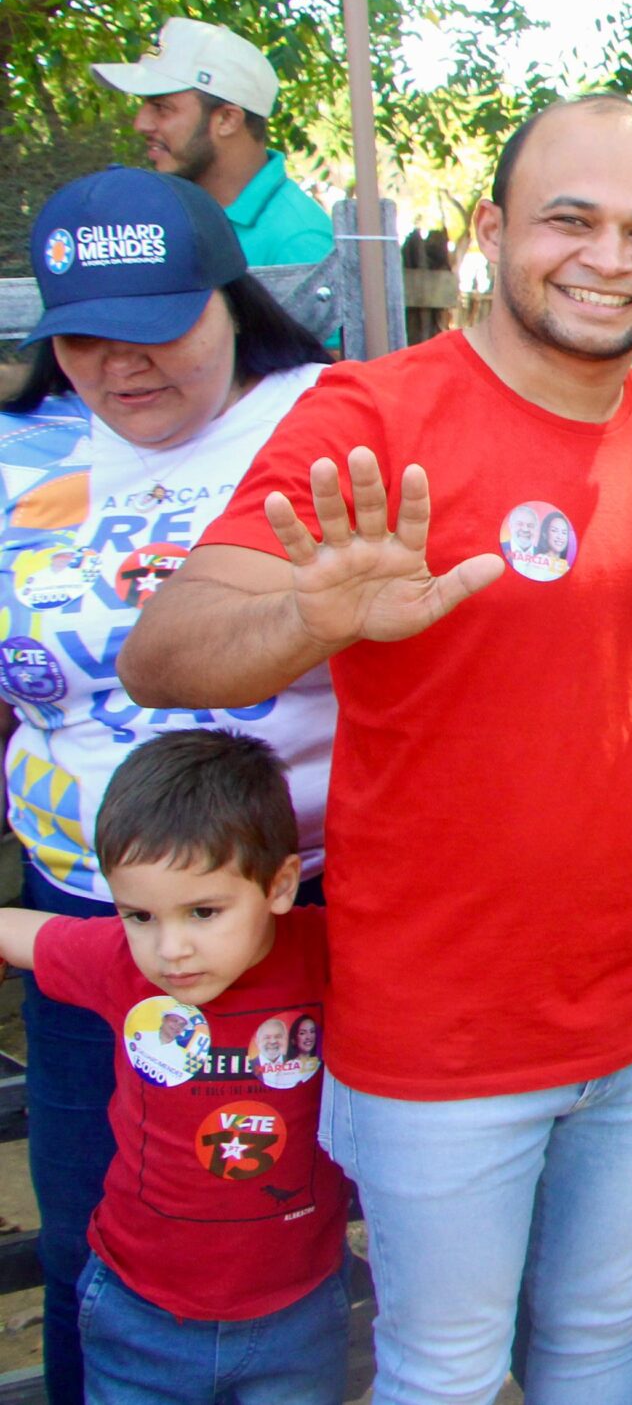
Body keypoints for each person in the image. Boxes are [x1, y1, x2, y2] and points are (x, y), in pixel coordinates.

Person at [120, 93, 632, 1404]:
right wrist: (310, 614)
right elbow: (166, 650)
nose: (609, 255)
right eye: (570, 218)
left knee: (599, 1341)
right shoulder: (371, 412)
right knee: (444, 1372)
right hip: (438, 1037)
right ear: (491, 226)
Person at [0, 165, 338, 1404]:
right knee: (101, 1222)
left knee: (276, 1215)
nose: (121, 366)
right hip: (89, 915)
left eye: (154, 330)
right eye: (83, 339)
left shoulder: (327, 416)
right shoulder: (19, 456)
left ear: (227, 302)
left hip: (289, 912)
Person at [0, 730, 349, 1405]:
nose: (171, 948)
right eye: (140, 914)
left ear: (279, 884)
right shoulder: (115, 960)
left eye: (204, 911)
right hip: (140, 1310)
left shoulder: (329, 950)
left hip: (298, 1308)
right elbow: (21, 934)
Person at [89, 17, 337, 267]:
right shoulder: (165, 211)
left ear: (227, 119)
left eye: (161, 107)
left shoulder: (298, 243)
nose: (140, 123)